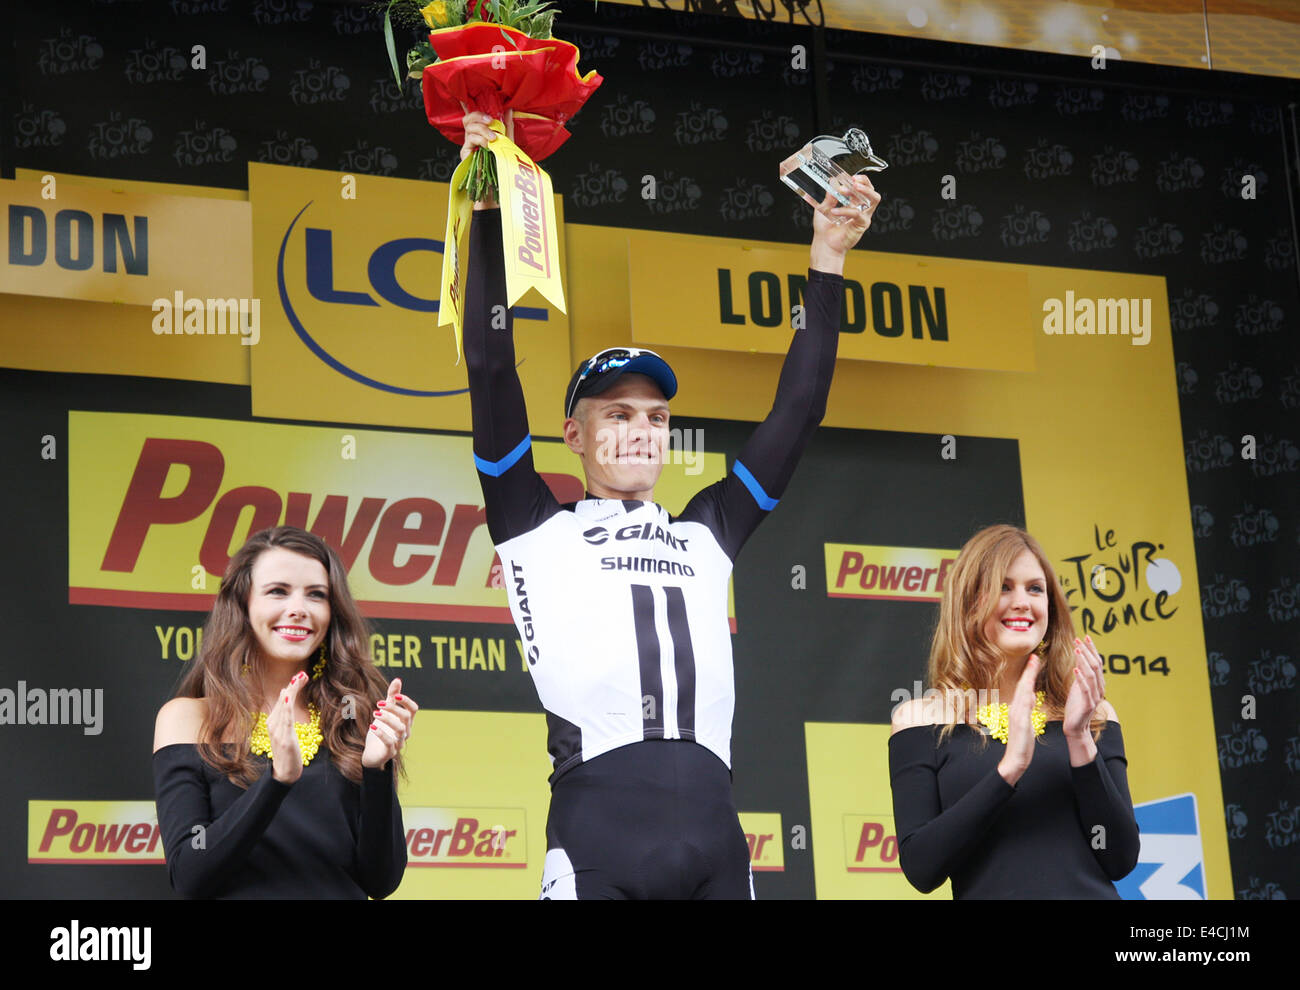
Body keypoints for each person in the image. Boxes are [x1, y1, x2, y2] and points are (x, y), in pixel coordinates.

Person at [460, 109, 879, 898]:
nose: (641, 431)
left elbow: (799, 412)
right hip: (598, 839)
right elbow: (489, 368)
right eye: (616, 414)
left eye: (656, 418)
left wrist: (827, 259)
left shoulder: (709, 532)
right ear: (574, 436)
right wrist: (485, 207)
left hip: (719, 842)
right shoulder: (531, 526)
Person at [152, 525, 416, 898]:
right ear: (243, 604)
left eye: (316, 595)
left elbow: (381, 880)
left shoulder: (352, 715)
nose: (298, 609)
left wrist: (377, 769)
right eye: (278, 591)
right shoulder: (188, 718)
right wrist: (276, 781)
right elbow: (190, 876)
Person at [888, 524, 1140, 898]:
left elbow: (1120, 858)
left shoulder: (1092, 714)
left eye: (1035, 588)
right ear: (969, 601)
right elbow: (923, 869)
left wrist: (1079, 739)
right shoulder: (919, 721)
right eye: (1004, 587)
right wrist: (1010, 768)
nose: (1022, 601)